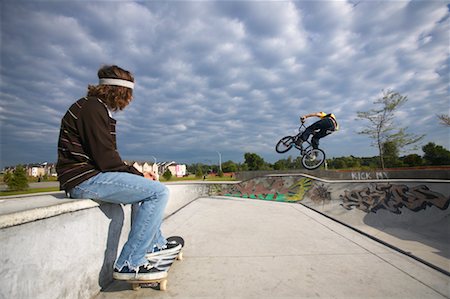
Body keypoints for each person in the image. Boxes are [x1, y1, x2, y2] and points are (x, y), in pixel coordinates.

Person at [56, 65, 181, 281]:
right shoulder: (92, 109)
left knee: (146, 190)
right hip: (83, 179)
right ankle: (129, 262)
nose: (129, 101)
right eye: (129, 96)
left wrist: (136, 176)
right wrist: (137, 174)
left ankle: (154, 244)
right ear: (120, 92)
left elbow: (105, 157)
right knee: (158, 193)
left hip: (89, 176)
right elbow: (106, 159)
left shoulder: (95, 107)